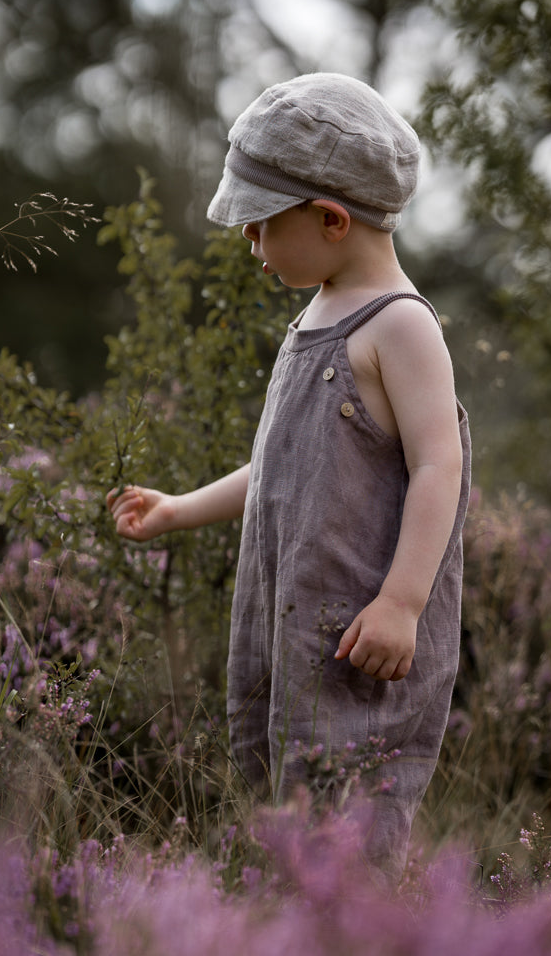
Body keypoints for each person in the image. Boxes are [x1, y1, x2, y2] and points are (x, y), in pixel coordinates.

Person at [107, 73, 471, 882]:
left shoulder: (400, 325)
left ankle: (360, 943)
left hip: (363, 626)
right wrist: (178, 511)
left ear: (331, 220)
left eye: (260, 227)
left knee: (356, 799)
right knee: (293, 794)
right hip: (297, 619)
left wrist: (402, 601)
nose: (251, 246)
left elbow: (438, 464)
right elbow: (282, 463)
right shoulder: (316, 312)